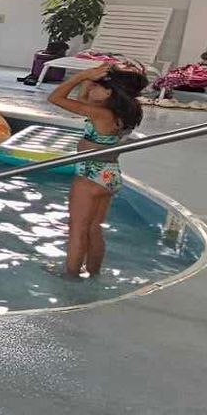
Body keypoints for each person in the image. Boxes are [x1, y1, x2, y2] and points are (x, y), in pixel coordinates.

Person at [47, 62, 147, 280]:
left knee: (77, 228)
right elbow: (84, 101)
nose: (91, 89)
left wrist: (80, 77)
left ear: (109, 92)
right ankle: (94, 273)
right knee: (93, 228)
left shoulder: (100, 114)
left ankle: (70, 275)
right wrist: (90, 80)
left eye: (97, 86)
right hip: (109, 175)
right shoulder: (122, 111)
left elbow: (54, 98)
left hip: (90, 176)